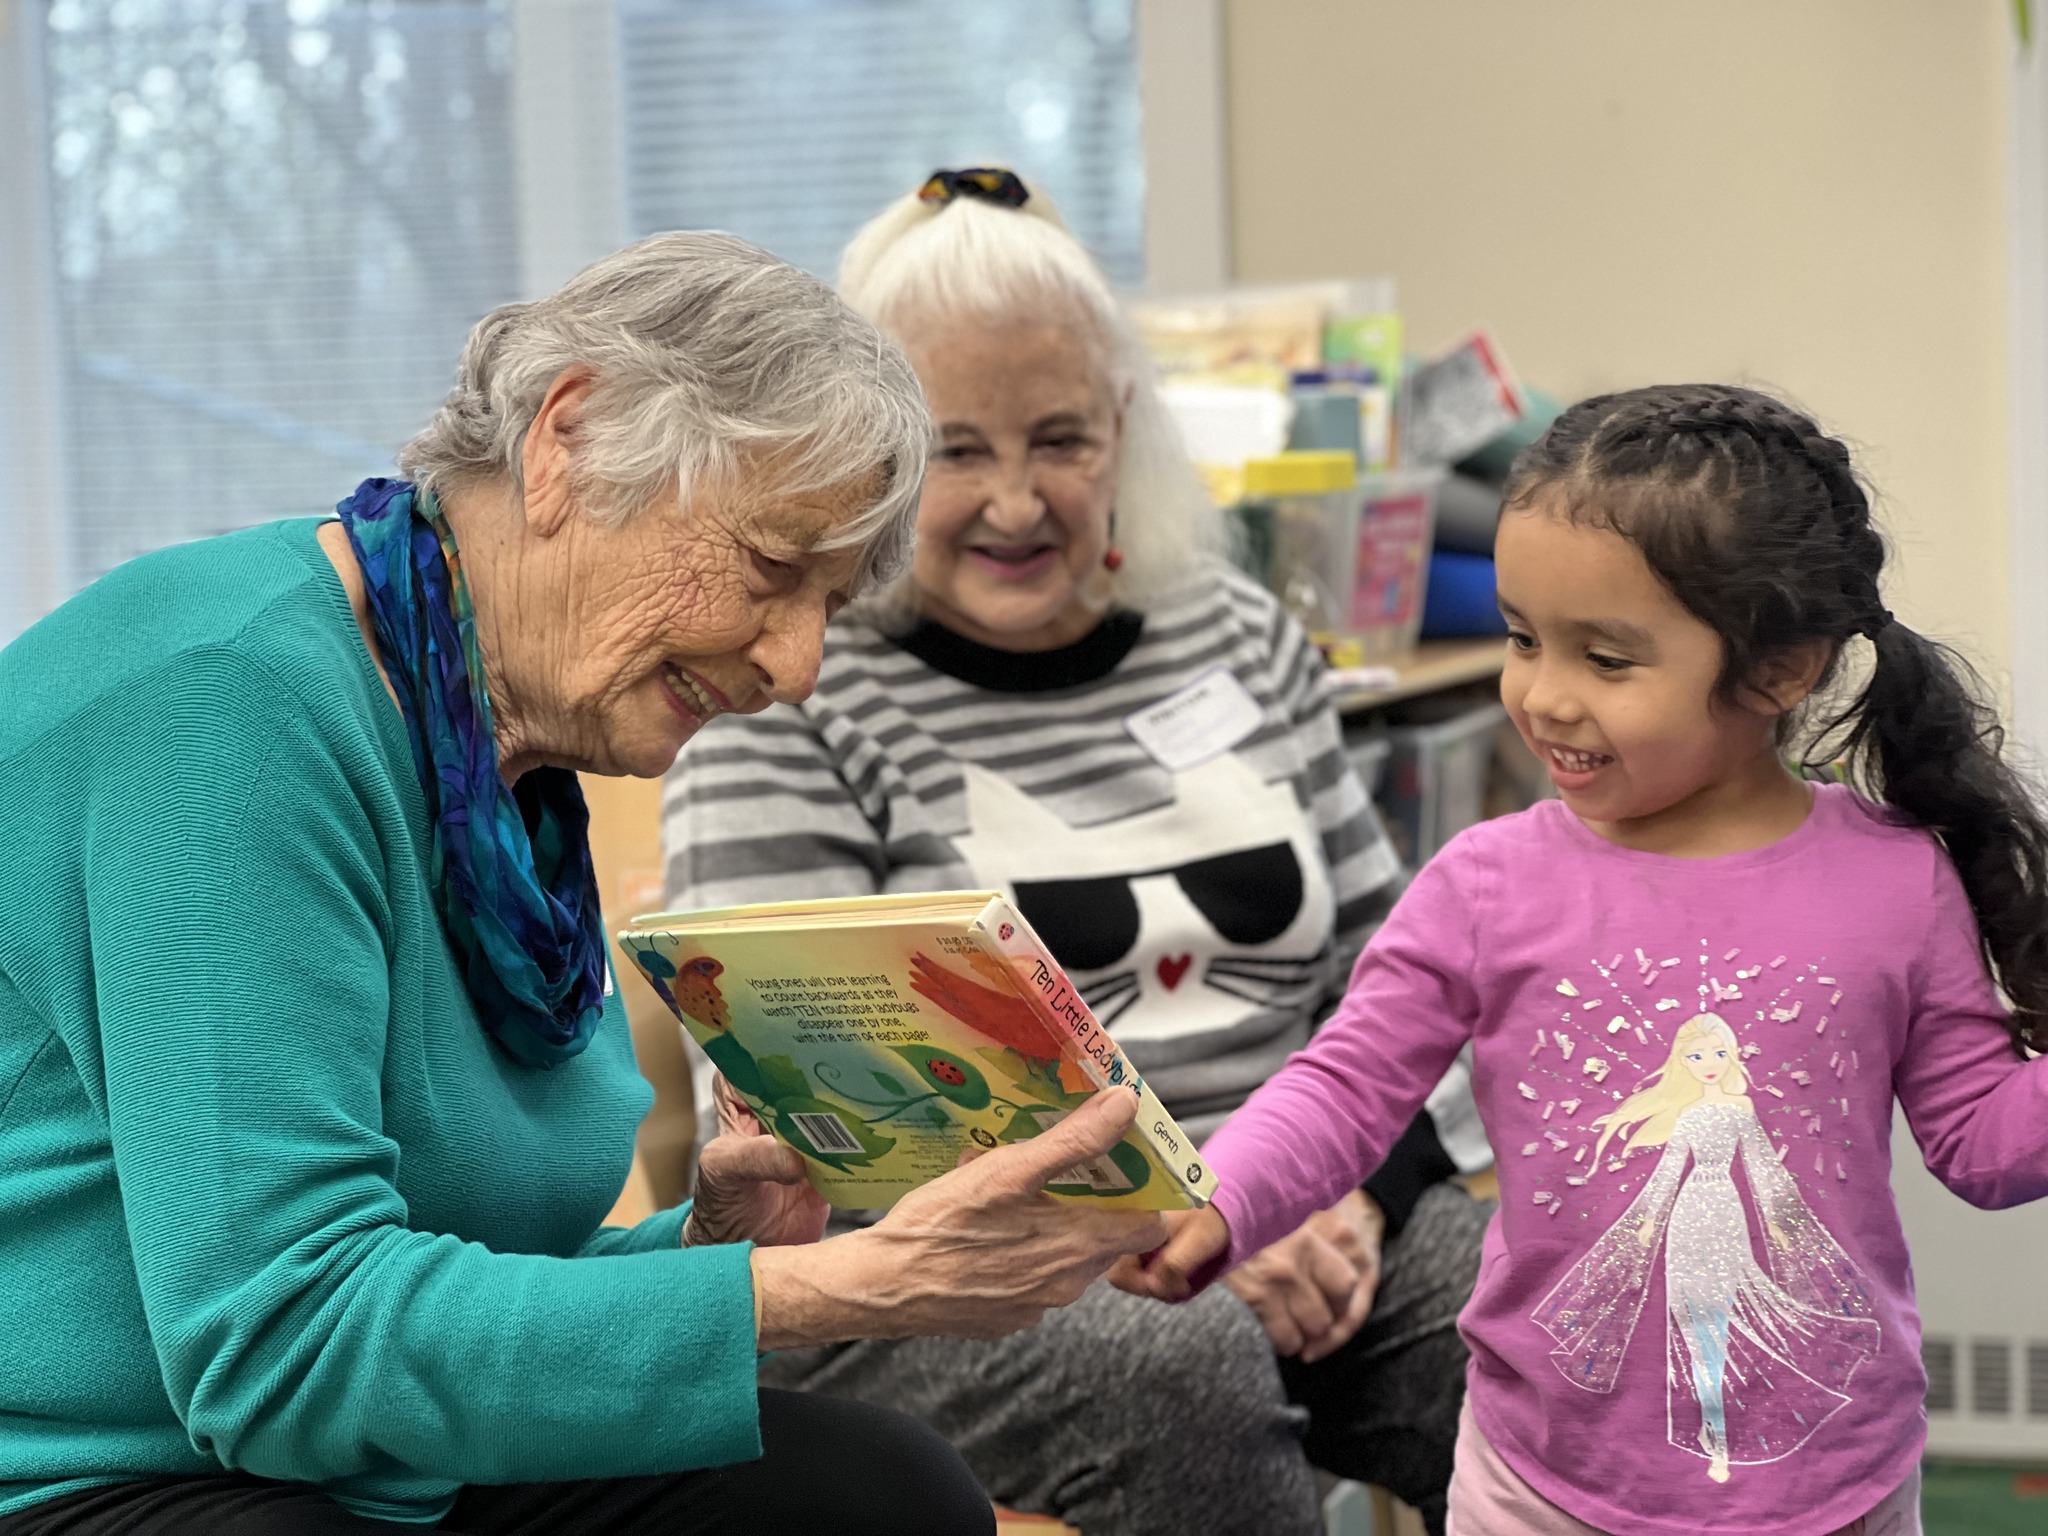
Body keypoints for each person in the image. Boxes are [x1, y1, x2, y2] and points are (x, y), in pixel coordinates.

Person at [0, 231, 1172, 1536]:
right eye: (774, 570)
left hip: (346, 1453)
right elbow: (279, 1345)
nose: (797, 667)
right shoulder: (230, 698)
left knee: (888, 1496)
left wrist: (711, 1248)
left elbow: (469, 1273)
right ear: (570, 438)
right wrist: (841, 1288)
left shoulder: (516, 781)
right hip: (92, 1469)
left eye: (830, 609)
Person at [663, 169, 1491, 1536]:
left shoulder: (1237, 631)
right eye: (956, 450)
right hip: (965, 1266)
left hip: (1306, 1206)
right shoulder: (793, 688)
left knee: (1540, 1321)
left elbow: (1397, 985)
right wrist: (1170, 1232)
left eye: (1059, 438)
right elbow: (809, 1098)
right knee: (1183, 1372)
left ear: (1124, 427)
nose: (1014, 500)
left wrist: (1335, 1189)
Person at [1118, 383, 2048, 1535]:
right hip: (1541, 1490)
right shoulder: (1481, 884)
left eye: (1604, 659)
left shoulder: (1896, 881)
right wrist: (1222, 1198)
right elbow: (1344, 1085)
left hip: (1834, 1491)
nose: (1540, 695)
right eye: (1520, 639)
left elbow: (1985, 1147)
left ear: (1780, 668)